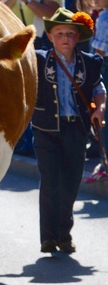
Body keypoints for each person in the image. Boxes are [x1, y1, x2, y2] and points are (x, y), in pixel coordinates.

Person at [33, 7, 106, 254]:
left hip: (77, 128)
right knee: (50, 181)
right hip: (46, 128)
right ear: (50, 36)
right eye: (60, 33)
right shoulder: (38, 59)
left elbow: (98, 89)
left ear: (78, 37)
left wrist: (99, 109)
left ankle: (64, 235)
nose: (65, 38)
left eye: (70, 34)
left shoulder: (90, 62)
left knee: (71, 183)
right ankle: (48, 237)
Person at [5, 0, 62, 157]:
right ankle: (21, 140)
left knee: (41, 93)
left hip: (40, 43)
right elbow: (0, 9)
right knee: (17, 93)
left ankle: (38, 142)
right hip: (16, 43)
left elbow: (53, 13)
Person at [87, 0, 108, 182]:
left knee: (104, 117)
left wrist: (92, 77)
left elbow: (98, 54)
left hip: (105, 69)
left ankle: (105, 163)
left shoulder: (104, 18)